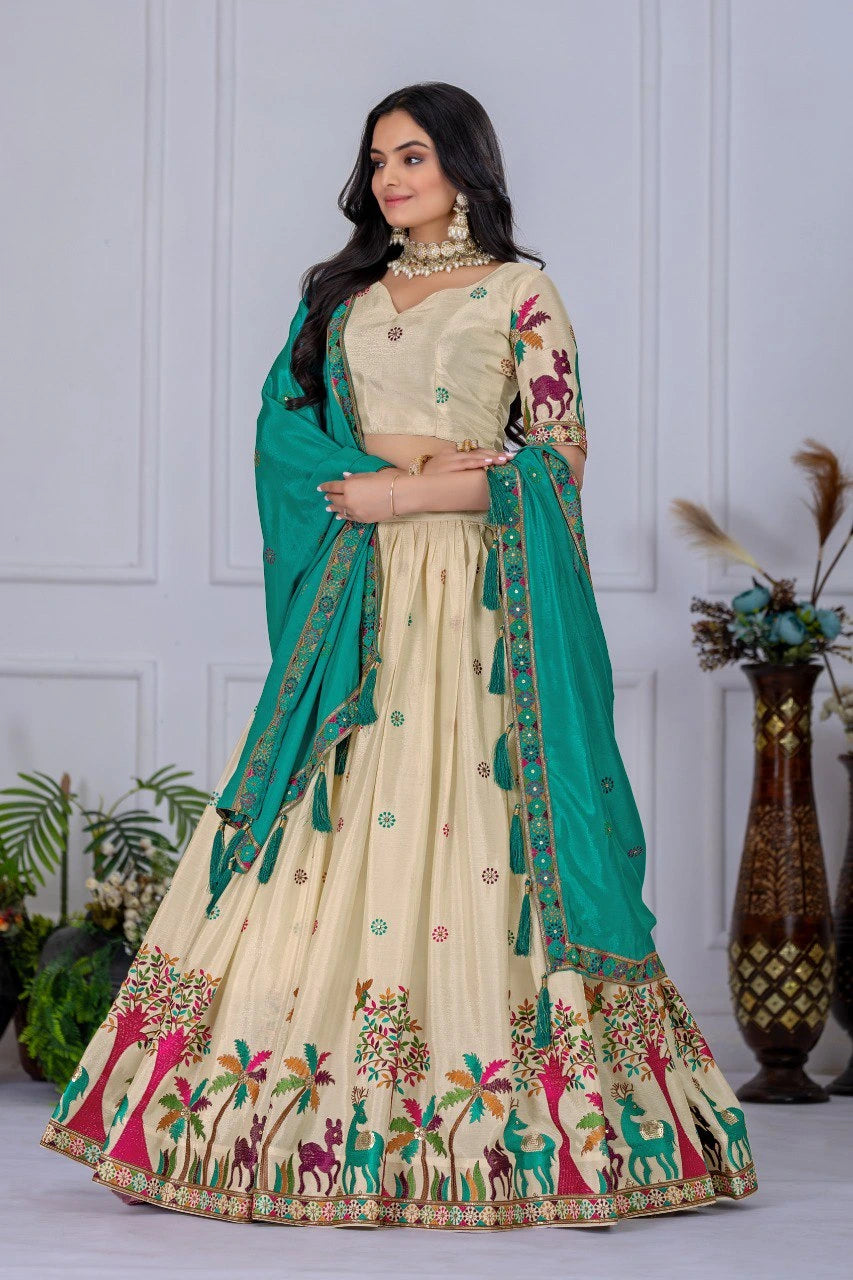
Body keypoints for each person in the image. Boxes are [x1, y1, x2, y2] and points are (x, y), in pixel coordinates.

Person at [40, 81, 757, 1231]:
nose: (389, 177)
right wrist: (353, 496)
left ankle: (516, 1131)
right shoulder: (343, 297)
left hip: (478, 603)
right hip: (362, 603)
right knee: (328, 811)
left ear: (465, 165)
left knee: (485, 820)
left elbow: (558, 461)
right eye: (377, 159)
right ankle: (273, 1117)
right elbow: (286, 424)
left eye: (412, 154)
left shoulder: (523, 291)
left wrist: (406, 490)